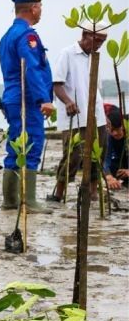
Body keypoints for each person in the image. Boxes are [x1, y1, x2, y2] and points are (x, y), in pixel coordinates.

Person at [0, 0, 54, 213]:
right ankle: (28, 201)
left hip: (13, 97)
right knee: (30, 145)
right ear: (33, 8)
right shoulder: (26, 36)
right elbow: (31, 67)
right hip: (26, 99)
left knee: (15, 145)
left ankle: (10, 200)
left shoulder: (8, 35)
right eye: (39, 7)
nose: (41, 12)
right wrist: (44, 99)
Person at [47, 26, 109, 202]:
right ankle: (59, 193)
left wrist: (103, 113)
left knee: (99, 153)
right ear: (84, 35)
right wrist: (67, 101)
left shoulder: (94, 57)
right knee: (72, 156)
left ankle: (93, 192)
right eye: (96, 40)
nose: (98, 45)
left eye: (102, 42)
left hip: (96, 114)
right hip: (74, 114)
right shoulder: (67, 53)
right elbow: (57, 84)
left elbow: (96, 89)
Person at [104, 106, 128, 190]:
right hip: (120, 163)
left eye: (118, 129)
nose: (115, 133)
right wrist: (108, 176)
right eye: (112, 130)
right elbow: (106, 159)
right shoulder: (109, 136)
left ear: (123, 126)